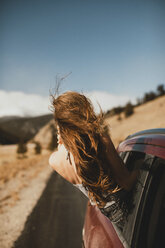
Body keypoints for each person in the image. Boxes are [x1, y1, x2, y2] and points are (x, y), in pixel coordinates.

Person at [49, 91, 139, 224]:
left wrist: (62, 140)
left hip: (110, 216)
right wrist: (140, 170)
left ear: (61, 125)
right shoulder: (101, 142)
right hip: (128, 207)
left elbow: (60, 152)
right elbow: (127, 182)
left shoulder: (55, 161)